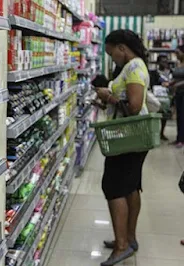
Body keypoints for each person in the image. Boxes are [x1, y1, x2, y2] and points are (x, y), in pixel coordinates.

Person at [95, 29, 149, 266]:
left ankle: (122, 246)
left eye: (111, 53)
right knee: (130, 187)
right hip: (132, 138)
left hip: (129, 138)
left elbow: (134, 106)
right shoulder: (132, 66)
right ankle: (129, 238)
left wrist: (109, 98)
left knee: (113, 186)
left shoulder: (135, 67)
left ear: (122, 48)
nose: (112, 58)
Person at [149, 54, 172, 140]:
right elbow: (152, 84)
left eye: (166, 61)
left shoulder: (170, 72)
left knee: (165, 116)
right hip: (156, 97)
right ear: (158, 62)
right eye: (163, 61)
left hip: (166, 98)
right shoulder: (154, 73)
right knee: (155, 116)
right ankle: (153, 133)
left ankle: (161, 133)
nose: (165, 63)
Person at [171, 46, 184, 147]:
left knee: (183, 116)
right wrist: (170, 83)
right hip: (178, 93)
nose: (176, 54)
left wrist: (177, 85)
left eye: (178, 52)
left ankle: (181, 140)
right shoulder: (178, 64)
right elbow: (176, 78)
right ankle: (178, 138)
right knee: (179, 116)